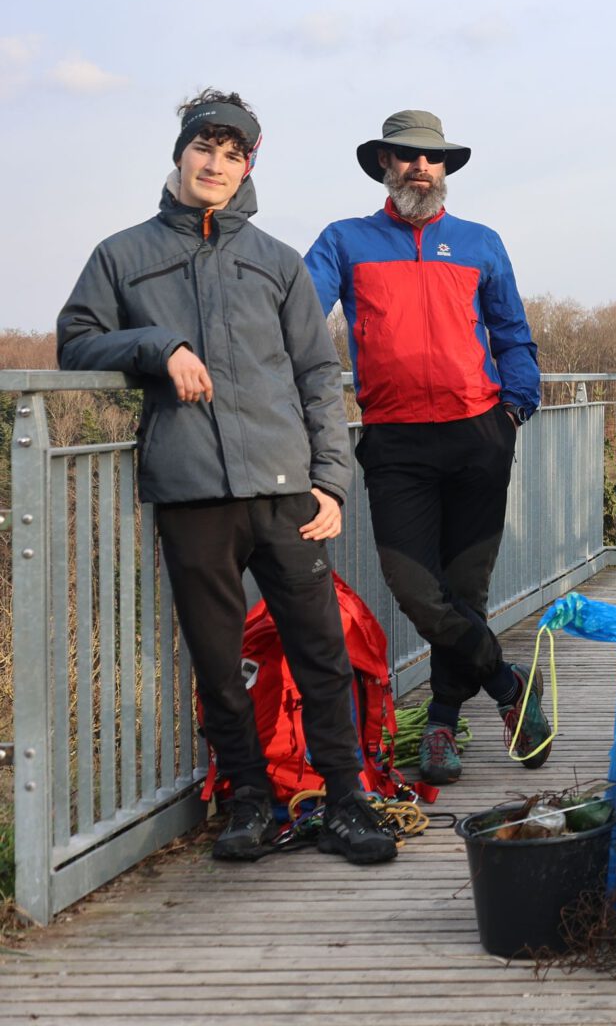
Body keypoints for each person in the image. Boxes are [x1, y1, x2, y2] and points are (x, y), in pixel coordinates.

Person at [57, 90, 396, 864]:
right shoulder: (122, 254)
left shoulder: (274, 260)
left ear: (249, 162)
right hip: (191, 493)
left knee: (319, 650)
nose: (216, 165)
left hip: (285, 491)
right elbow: (76, 340)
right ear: (180, 155)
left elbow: (318, 373)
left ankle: (346, 798)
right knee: (217, 660)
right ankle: (247, 799)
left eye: (233, 153)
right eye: (204, 149)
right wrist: (157, 346)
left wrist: (332, 484)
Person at [305, 110, 549, 788]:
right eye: (407, 157)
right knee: (416, 587)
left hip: (478, 435)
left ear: (446, 170)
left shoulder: (479, 242)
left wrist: (515, 407)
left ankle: (441, 724)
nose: (421, 168)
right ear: (384, 164)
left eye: (433, 158)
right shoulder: (346, 240)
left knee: (464, 590)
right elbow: (293, 314)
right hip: (397, 441)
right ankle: (507, 686)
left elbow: (513, 334)